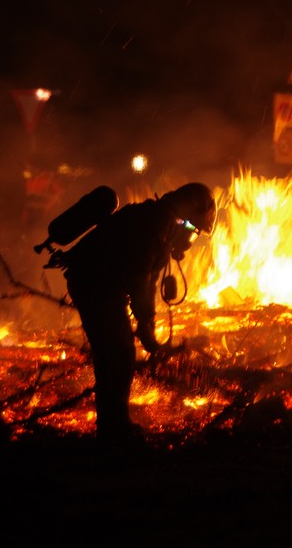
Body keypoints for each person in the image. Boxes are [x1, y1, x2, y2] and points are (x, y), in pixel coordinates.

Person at [56, 182, 216, 448]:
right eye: (192, 229)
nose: (190, 239)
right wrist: (143, 322)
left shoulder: (160, 221)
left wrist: (147, 324)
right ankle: (114, 429)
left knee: (113, 354)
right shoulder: (158, 224)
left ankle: (111, 426)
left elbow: (148, 280)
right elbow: (139, 275)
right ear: (186, 216)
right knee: (118, 355)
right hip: (96, 284)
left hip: (98, 283)